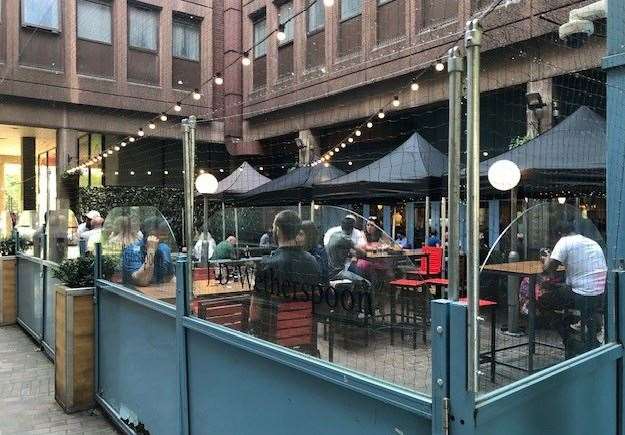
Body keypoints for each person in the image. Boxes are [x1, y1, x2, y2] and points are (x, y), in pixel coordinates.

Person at [540, 220, 607, 357]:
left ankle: (568, 339)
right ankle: (591, 341)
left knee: (542, 300)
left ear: (560, 234)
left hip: (582, 294)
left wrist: (547, 257)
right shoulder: (590, 242)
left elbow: (547, 270)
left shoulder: (564, 241)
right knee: (564, 293)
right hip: (600, 294)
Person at [122, 217, 174, 286]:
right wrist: (151, 251)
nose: (167, 230)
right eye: (163, 228)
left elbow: (169, 277)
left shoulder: (165, 249)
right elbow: (142, 281)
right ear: (151, 232)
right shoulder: (132, 251)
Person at [326, 216, 367, 281]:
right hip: (337, 273)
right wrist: (364, 235)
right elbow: (363, 252)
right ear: (352, 228)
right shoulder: (345, 238)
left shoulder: (334, 235)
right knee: (365, 282)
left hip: (329, 271)